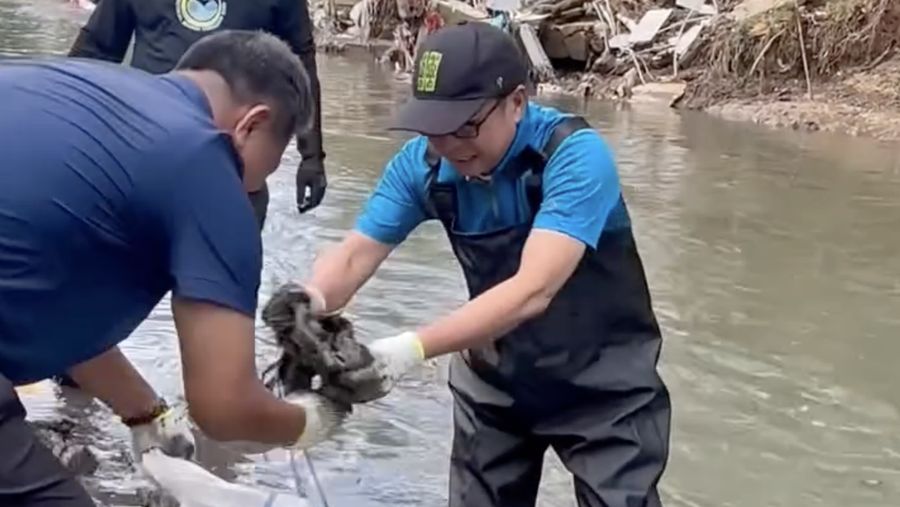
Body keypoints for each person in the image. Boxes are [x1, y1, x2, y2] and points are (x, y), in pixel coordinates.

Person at [301, 22, 672, 507]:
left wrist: (410, 350)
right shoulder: (422, 167)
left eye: (465, 127)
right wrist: (307, 303)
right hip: (495, 388)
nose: (449, 146)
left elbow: (533, 289)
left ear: (516, 102)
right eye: (434, 129)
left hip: (606, 390)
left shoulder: (573, 157)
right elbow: (354, 255)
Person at [0, 30, 346, 507]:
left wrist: (146, 414)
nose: (252, 187)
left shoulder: (80, 91)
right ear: (252, 124)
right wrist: (315, 420)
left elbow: (51, 311)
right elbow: (224, 407)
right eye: (268, 167)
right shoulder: (205, 159)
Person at [67, 0, 328, 226]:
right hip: (143, 159)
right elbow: (96, 51)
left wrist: (311, 156)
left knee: (229, 259)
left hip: (235, 166)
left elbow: (300, 67)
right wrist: (67, 137)